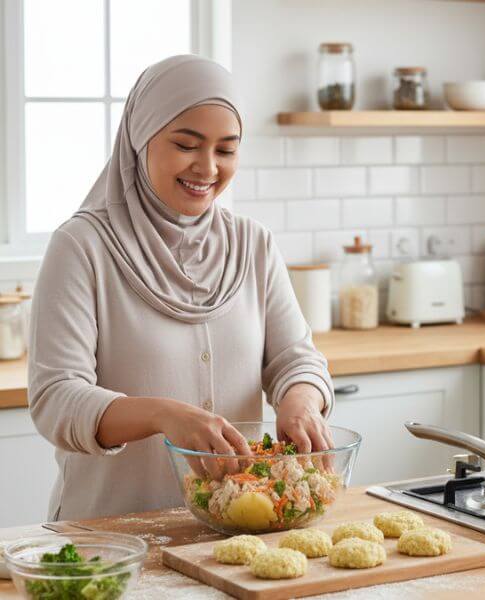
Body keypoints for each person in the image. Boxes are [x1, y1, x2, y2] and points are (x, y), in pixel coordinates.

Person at [27, 55, 334, 521]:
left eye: (226, 150)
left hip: (232, 538)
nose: (208, 168)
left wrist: (301, 403)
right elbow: (56, 398)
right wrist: (162, 415)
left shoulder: (252, 244)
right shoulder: (82, 246)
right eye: (187, 144)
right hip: (109, 538)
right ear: (140, 138)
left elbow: (295, 358)